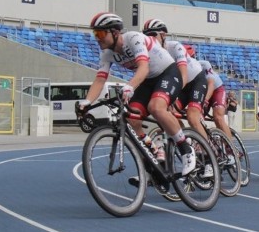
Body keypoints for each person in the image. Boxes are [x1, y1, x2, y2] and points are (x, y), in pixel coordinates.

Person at [77, 12, 196, 177]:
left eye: (101, 33)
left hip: (167, 72)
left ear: (115, 32)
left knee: (156, 107)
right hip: (147, 81)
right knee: (131, 118)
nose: (97, 38)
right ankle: (154, 150)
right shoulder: (106, 54)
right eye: (95, 34)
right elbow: (99, 80)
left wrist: (129, 87)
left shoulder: (133, 38)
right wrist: (86, 102)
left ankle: (186, 149)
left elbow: (144, 68)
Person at [142, 19, 208, 138]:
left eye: (152, 35)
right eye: (146, 36)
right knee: (169, 114)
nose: (149, 39)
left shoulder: (175, 47)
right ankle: (184, 139)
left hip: (195, 80)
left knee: (192, 118)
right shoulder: (149, 51)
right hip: (181, 85)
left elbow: (183, 74)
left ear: (163, 36)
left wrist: (173, 96)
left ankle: (208, 152)